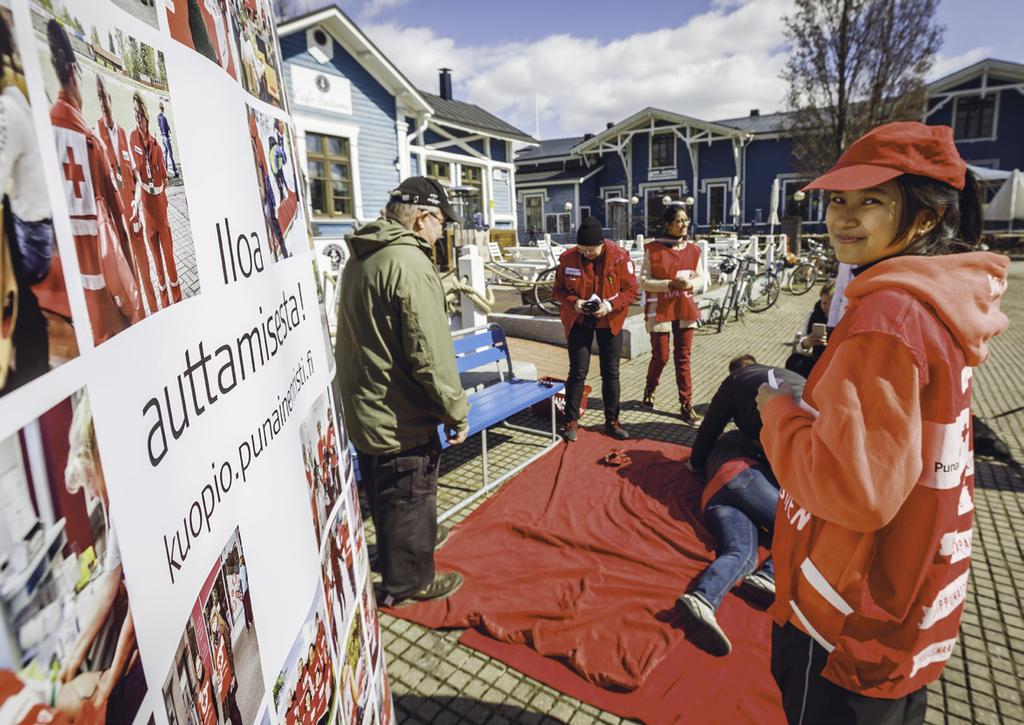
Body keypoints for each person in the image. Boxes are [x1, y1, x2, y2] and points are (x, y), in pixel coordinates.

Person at [755, 121, 1008, 723]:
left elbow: (853, 490)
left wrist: (776, 413)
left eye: (871, 201)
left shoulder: (888, 316)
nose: (843, 217)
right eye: (837, 200)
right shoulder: (943, 302)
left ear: (924, 216)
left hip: (843, 615)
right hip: (905, 601)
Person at [336, 176, 468, 604]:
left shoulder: (364, 255)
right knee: (410, 492)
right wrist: (455, 410)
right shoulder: (409, 263)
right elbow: (430, 352)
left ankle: (406, 547)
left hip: (369, 404)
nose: (443, 231)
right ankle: (410, 580)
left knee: (387, 491)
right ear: (422, 219)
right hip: (399, 413)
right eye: (441, 223)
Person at [677, 354, 805, 656]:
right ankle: (769, 575)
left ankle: (702, 600)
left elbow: (709, 428)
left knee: (742, 553)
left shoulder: (739, 399)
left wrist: (695, 464)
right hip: (740, 480)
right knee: (805, 530)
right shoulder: (747, 434)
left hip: (716, 496)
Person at [47, 20, 132, 344]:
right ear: (73, 74)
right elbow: (119, 228)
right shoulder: (89, 138)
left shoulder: (50, 128)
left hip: (67, 300)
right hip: (107, 301)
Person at [0, 15, 53, 394]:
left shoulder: (7, 112)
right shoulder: (18, 98)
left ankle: (30, 366)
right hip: (37, 227)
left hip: (33, 240)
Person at [551, 215, 639, 441]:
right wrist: (575, 302)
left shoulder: (620, 257)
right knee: (577, 372)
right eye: (583, 248)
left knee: (611, 373)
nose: (587, 253)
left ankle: (612, 421)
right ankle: (570, 421)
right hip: (579, 320)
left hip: (609, 320)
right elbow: (557, 290)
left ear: (602, 243)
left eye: (592, 249)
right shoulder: (568, 259)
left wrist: (609, 305)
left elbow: (632, 291)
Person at [95, 76, 158, 316]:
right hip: (115, 225)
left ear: (110, 99)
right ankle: (139, 320)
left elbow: (138, 179)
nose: (101, 101)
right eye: (98, 96)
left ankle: (156, 314)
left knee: (144, 272)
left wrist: (137, 202)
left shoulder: (122, 133)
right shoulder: (96, 134)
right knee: (129, 281)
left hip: (133, 219)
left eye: (104, 96)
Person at [640, 204, 704, 423]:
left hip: (684, 308)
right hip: (660, 309)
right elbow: (644, 280)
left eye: (686, 220)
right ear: (668, 224)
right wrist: (669, 284)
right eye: (679, 221)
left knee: (683, 358)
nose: (684, 224)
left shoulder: (694, 250)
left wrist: (690, 284)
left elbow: (704, 279)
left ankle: (686, 404)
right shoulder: (653, 249)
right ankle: (650, 386)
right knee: (662, 356)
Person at [129, 92, 181, 306]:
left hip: (160, 205)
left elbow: (165, 180)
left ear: (146, 115)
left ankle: (177, 300)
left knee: (169, 258)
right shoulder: (132, 139)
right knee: (157, 264)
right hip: (146, 208)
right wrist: (136, 204)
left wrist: (161, 194)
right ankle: (165, 303)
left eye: (140, 113)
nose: (137, 117)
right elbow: (136, 177)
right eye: (135, 113)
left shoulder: (157, 146)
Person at [783, 280, 835, 378]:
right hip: (815, 358)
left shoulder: (843, 317)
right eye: (824, 303)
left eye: (832, 304)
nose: (828, 307)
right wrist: (806, 343)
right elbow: (800, 347)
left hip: (834, 361)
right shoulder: (813, 315)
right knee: (794, 361)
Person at [156, 102, 178, 178]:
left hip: (162, 137)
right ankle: (175, 171)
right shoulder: (164, 118)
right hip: (166, 137)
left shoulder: (158, 117)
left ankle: (165, 172)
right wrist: (167, 135)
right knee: (171, 155)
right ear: (163, 109)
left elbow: (160, 125)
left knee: (165, 155)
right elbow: (163, 125)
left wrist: (168, 128)